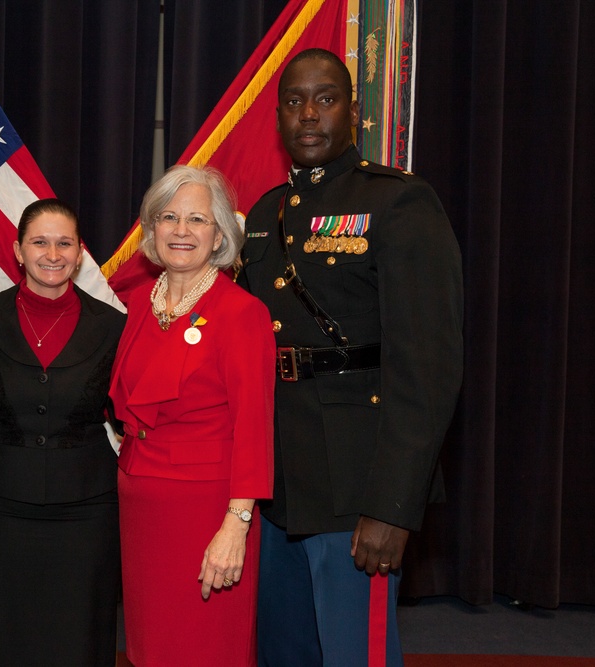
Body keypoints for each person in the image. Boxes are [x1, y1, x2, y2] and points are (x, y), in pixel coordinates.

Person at [237, 48, 463, 666]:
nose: (308, 114)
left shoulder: (398, 203)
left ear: (353, 113)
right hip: (276, 488)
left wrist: (393, 504)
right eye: (293, 101)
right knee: (284, 655)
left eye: (326, 98)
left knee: (351, 656)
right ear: (278, 117)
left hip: (356, 489)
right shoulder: (264, 216)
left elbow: (428, 369)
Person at [110, 165, 275, 666]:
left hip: (206, 509)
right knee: (150, 644)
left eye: (197, 219)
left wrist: (237, 523)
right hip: (141, 505)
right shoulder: (139, 302)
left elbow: (254, 426)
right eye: (169, 217)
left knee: (203, 646)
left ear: (220, 234)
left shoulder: (242, 313)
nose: (181, 231)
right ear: (151, 228)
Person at [0, 199, 125, 666]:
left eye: (65, 243)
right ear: (18, 251)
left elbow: (132, 410)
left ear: (80, 254)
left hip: (86, 509)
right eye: (40, 242)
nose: (52, 254)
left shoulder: (114, 325)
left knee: (77, 635)